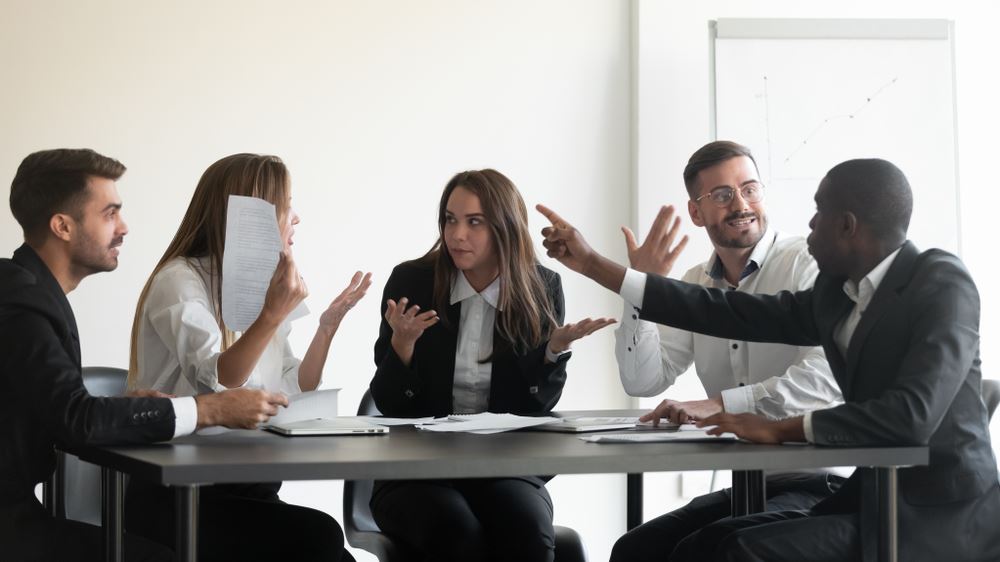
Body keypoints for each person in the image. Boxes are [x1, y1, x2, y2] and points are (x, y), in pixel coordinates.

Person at [537, 158, 1000, 561]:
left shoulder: (941, 282)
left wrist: (779, 427)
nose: (810, 223)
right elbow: (726, 311)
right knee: (683, 545)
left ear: (848, 225)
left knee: (739, 550)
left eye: (820, 212)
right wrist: (596, 265)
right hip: (874, 496)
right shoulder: (836, 294)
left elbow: (912, 416)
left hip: (943, 515)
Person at [0, 148, 289, 562]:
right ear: (62, 226)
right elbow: (77, 420)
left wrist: (118, 406)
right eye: (110, 214)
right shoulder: (21, 302)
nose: (124, 227)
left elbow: (60, 410)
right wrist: (208, 410)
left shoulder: (29, 292)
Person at [125, 153, 366, 561]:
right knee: (320, 538)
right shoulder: (179, 281)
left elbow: (292, 385)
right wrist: (271, 314)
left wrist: (325, 329)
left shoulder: (262, 283)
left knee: (326, 544)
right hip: (178, 493)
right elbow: (219, 383)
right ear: (249, 215)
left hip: (245, 483)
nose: (296, 218)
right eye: (285, 205)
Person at [610, 141, 843, 562]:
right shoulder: (695, 283)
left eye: (750, 188)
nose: (741, 204)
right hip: (747, 483)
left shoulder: (806, 265)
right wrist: (639, 292)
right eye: (722, 195)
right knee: (635, 549)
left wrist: (720, 405)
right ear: (696, 213)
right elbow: (643, 379)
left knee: (703, 551)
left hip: (818, 481)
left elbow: (826, 379)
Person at [368, 169, 614, 562]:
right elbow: (390, 406)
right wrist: (402, 346)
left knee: (528, 532)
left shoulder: (540, 287)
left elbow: (532, 410)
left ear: (505, 228)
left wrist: (550, 352)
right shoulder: (411, 281)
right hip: (416, 469)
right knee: (456, 533)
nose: (456, 234)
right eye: (450, 219)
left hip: (505, 466)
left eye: (474, 222)